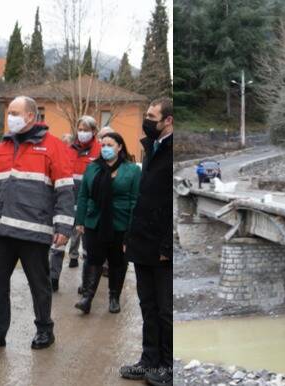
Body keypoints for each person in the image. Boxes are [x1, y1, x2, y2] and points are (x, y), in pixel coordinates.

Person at [0, 96, 74, 352]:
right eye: (9, 112)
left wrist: (63, 227)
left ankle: (44, 330)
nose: (10, 117)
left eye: (15, 112)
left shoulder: (53, 147)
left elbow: (64, 189)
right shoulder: (3, 146)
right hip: (2, 230)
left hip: (33, 231)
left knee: (39, 283)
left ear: (30, 116)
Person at [120, 97, 173, 386]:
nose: (147, 120)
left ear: (169, 121)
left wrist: (167, 245)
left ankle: (168, 365)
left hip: (162, 248)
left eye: (152, 116)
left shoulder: (173, 151)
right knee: (148, 305)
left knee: (165, 309)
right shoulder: (151, 148)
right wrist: (130, 236)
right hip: (142, 242)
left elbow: (171, 204)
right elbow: (142, 199)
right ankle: (149, 360)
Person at [74, 132, 141, 314]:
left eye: (109, 145)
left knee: (117, 261)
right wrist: (80, 220)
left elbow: (135, 201)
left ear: (119, 147)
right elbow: (83, 195)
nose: (105, 148)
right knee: (92, 259)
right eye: (102, 145)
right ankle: (87, 298)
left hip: (120, 223)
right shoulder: (93, 168)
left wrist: (131, 230)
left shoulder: (132, 170)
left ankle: (114, 297)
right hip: (94, 221)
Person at [50, 115, 101, 292]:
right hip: (66, 206)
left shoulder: (100, 151)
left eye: (86, 130)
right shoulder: (68, 150)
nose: (82, 133)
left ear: (94, 131)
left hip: (88, 208)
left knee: (88, 250)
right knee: (58, 244)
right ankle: (53, 279)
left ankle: (86, 284)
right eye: (80, 129)